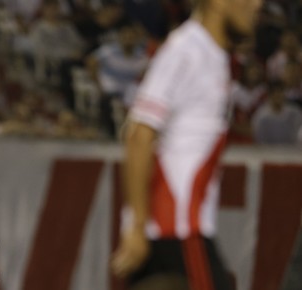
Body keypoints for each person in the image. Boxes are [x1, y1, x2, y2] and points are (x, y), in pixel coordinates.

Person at [110, 0, 262, 289]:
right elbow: (139, 133)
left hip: (173, 232)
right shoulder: (188, 51)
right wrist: (137, 226)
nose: (258, 4)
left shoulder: (210, 55)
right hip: (179, 230)